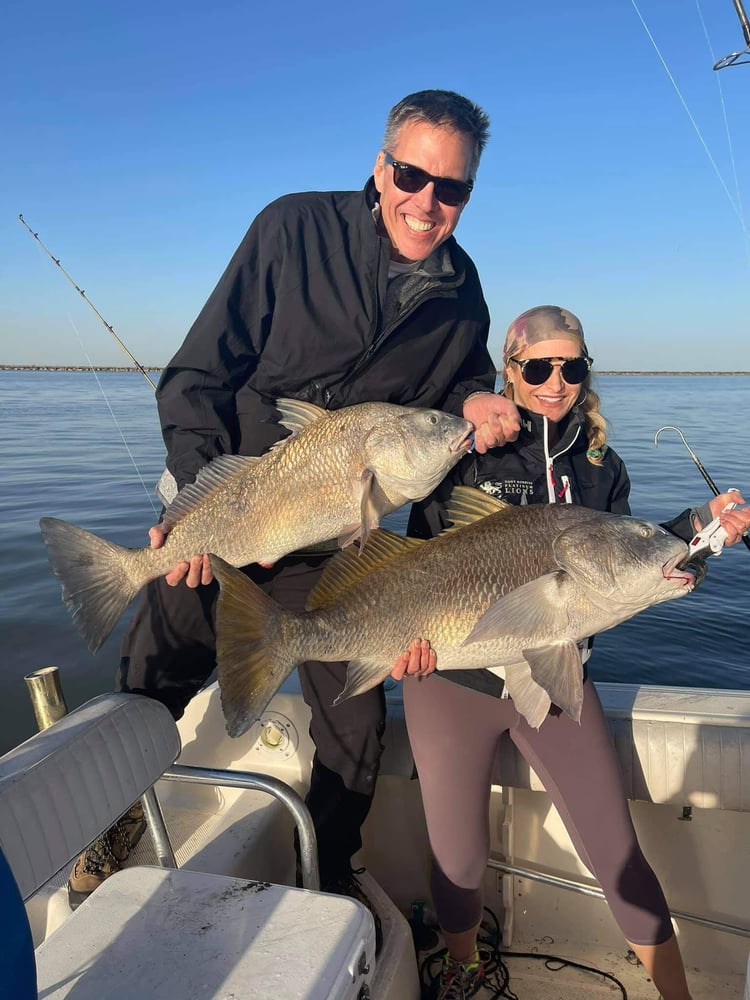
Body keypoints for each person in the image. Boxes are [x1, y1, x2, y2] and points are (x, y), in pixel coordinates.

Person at [67, 89, 523, 933]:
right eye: (413, 175)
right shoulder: (292, 229)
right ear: (381, 167)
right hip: (230, 509)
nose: (428, 202)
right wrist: (196, 493)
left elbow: (450, 395)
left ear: (469, 194)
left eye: (451, 188)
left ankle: (333, 877)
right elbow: (197, 373)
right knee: (149, 681)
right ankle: (109, 827)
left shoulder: (464, 295)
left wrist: (477, 400)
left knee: (355, 724)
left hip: (335, 540)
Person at [403, 305, 750, 1000]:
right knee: (458, 858)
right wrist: (407, 639)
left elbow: (625, 558)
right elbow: (414, 561)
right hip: (454, 681)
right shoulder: (464, 449)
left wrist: (700, 532)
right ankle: (464, 969)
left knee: (619, 857)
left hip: (557, 675)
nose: (556, 381)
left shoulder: (603, 466)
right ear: (510, 370)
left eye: (573, 366)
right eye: (538, 367)